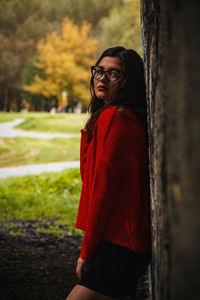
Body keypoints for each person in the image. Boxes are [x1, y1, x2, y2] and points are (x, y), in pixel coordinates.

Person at [66, 46, 152, 300]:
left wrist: (87, 251)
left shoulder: (115, 119)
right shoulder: (115, 116)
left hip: (120, 244)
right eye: (99, 71)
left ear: (129, 82)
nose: (102, 78)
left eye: (114, 73)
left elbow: (103, 192)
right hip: (125, 242)